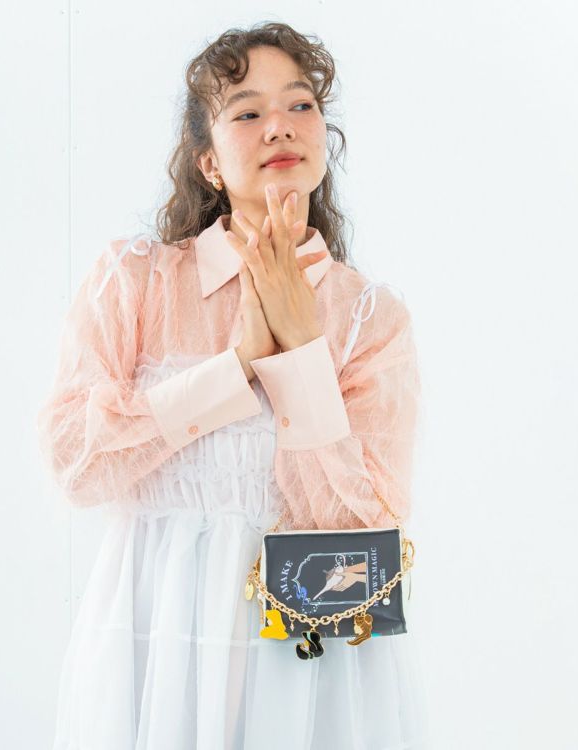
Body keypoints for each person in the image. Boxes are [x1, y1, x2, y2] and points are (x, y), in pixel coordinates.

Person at [37, 20, 430, 750]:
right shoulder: (138, 282)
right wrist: (238, 364)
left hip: (309, 662)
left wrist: (301, 350)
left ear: (324, 139)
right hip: (155, 646)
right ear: (209, 163)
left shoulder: (370, 319)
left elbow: (370, 533)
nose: (279, 125)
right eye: (247, 113)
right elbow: (74, 463)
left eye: (301, 105)